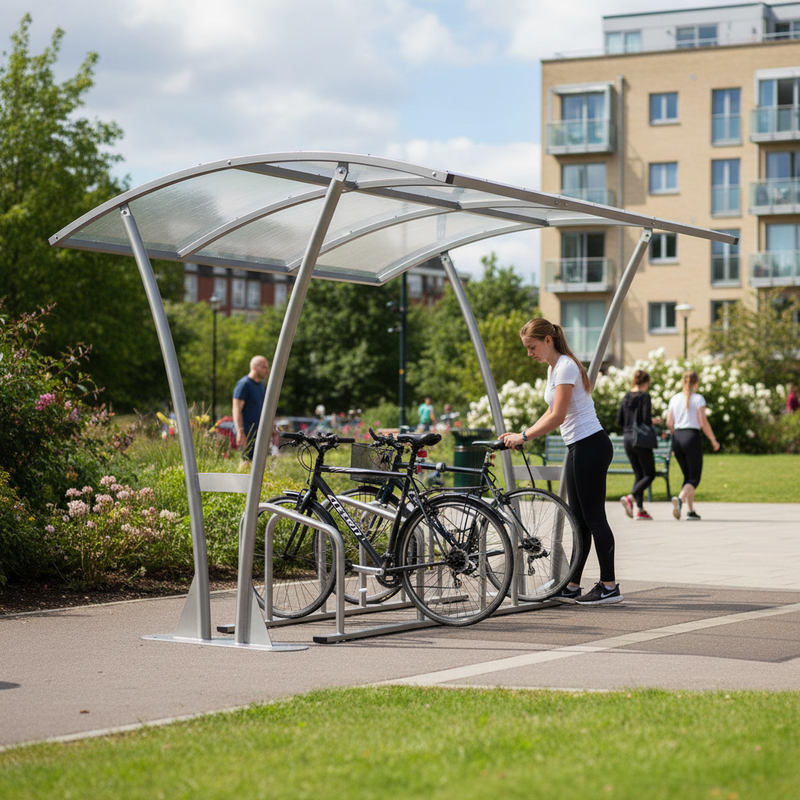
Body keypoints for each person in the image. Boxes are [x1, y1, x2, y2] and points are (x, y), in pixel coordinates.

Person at [499, 318, 622, 606]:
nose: (530, 354)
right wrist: (522, 434)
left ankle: (609, 586)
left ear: (548, 340)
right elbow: (550, 411)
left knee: (594, 519)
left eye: (532, 347)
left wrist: (524, 436)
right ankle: (573, 585)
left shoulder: (565, 366)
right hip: (580, 446)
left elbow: (558, 416)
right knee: (579, 521)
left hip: (590, 445)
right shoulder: (555, 369)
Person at [666, 370, 720, 521]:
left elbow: (669, 423)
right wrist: (713, 440)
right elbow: (703, 422)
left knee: (688, 476)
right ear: (696, 383)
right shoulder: (698, 399)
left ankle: (690, 511)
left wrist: (675, 436)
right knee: (694, 478)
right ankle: (680, 499)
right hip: (692, 438)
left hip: (677, 439)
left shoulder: (674, 399)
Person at [616, 369, 656, 521]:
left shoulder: (626, 397)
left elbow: (619, 419)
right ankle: (630, 498)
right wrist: (655, 422)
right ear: (645, 383)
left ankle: (640, 510)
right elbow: (645, 419)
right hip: (640, 440)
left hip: (627, 439)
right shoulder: (644, 397)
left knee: (639, 474)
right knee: (649, 474)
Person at [232, 355, 269, 460]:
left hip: (259, 431)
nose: (266, 370)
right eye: (264, 367)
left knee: (258, 464)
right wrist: (240, 432)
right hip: (247, 431)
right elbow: (236, 409)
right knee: (246, 462)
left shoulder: (261, 385)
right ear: (254, 367)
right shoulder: (244, 384)